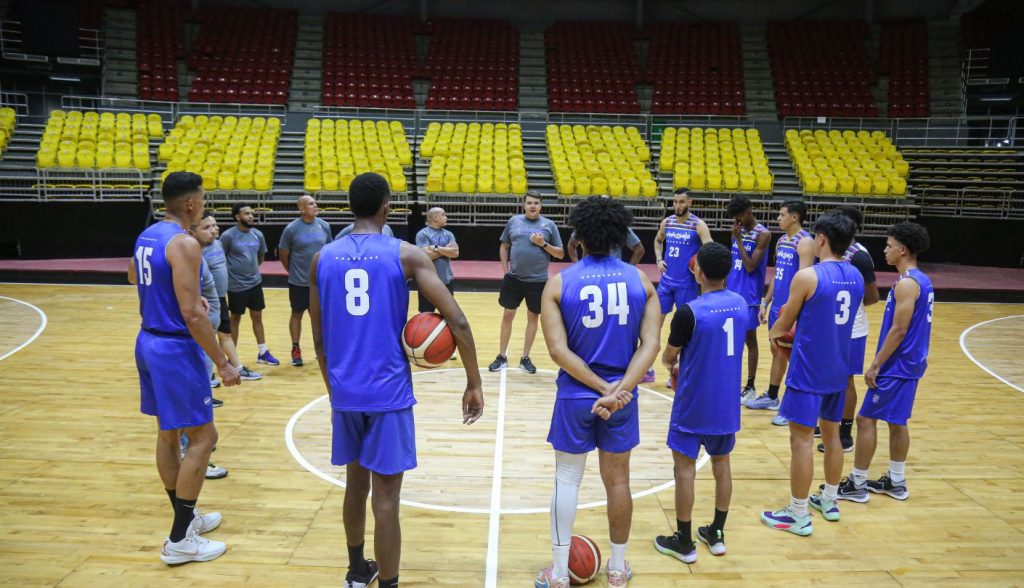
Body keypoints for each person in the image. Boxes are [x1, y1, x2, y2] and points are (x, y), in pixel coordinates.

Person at [309, 172, 484, 588]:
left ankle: (356, 570)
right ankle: (387, 583)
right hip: (387, 392)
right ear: (387, 207)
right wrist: (473, 381)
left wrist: (333, 389)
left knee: (355, 485)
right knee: (386, 498)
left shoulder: (323, 258)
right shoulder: (405, 254)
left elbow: (317, 338)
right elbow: (455, 318)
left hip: (345, 390)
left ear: (350, 207)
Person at [535, 196, 661, 588]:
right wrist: (618, 389)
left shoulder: (558, 284)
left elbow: (558, 351)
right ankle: (619, 570)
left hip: (576, 394)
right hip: (622, 399)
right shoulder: (641, 280)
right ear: (621, 236)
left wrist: (601, 387)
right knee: (618, 482)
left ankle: (558, 574)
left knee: (567, 481)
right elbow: (651, 345)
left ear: (577, 238)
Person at [128, 171, 240, 564]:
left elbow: (133, 277)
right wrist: (223, 363)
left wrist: (180, 299)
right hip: (175, 349)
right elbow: (193, 317)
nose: (205, 205)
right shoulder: (186, 243)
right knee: (204, 438)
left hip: (148, 341)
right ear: (191, 204)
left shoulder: (149, 234)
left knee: (168, 435)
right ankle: (179, 540)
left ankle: (185, 520)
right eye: (204, 200)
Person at [760, 211, 863, 536]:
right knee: (832, 436)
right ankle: (829, 500)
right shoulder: (857, 276)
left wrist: (774, 334)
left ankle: (798, 513)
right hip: (838, 368)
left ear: (821, 239)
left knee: (801, 440)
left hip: (808, 370)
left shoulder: (808, 277)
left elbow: (785, 320)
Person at [654, 242, 746, 564]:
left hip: (693, 403)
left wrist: (674, 364)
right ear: (729, 271)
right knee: (722, 465)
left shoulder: (688, 312)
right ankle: (717, 533)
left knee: (684, 470)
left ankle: (684, 540)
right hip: (726, 403)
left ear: (697, 271)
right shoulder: (741, 304)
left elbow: (668, 357)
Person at [834, 222, 933, 503]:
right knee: (897, 421)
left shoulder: (907, 284)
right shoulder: (922, 280)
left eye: (889, 246)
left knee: (865, 419)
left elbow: (899, 330)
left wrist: (876, 364)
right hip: (911, 364)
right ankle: (896, 481)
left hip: (897, 366)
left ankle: (857, 482)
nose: (885, 250)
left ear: (903, 250)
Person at [816, 206, 880, 449]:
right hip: (831, 326)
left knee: (846, 379)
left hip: (852, 329)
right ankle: (825, 423)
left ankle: (845, 432)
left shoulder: (859, 256)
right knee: (828, 375)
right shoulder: (832, 252)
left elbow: (873, 297)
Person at [746, 200, 814, 426]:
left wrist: (795, 311)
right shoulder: (783, 240)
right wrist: (765, 302)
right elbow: (777, 275)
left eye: (782, 214)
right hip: (777, 307)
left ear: (794, 217)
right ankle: (773, 396)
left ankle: (791, 407)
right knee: (777, 351)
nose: (778, 218)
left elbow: (806, 279)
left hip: (792, 309)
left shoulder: (805, 242)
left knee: (794, 357)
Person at [490, 190, 564, 375]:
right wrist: (505, 271)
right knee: (508, 315)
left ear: (541, 206)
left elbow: (560, 253)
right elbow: (504, 246)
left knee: (533, 317)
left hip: (538, 281)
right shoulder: (514, 221)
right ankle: (502, 356)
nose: (533, 206)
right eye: (529, 203)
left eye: (536, 203)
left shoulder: (549, 225)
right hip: (514, 279)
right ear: (524, 205)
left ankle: (525, 357)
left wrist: (543, 244)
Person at [652, 188, 712, 385]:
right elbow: (658, 240)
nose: (677, 205)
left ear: (690, 203)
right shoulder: (667, 222)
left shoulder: (698, 225)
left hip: (686, 285)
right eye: (675, 201)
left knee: (682, 329)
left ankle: (676, 371)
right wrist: (659, 258)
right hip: (666, 283)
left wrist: (701, 268)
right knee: (653, 325)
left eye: (681, 202)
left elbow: (709, 249)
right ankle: (647, 369)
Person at [200, 213, 262, 383]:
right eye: (209, 227)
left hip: (220, 298)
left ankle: (238, 368)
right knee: (206, 338)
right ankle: (207, 375)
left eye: (214, 225)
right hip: (205, 301)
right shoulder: (195, 251)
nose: (215, 229)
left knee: (225, 335)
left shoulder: (219, 244)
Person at [221, 202, 278, 366]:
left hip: (255, 283)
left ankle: (263, 352)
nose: (251, 216)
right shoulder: (228, 236)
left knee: (257, 316)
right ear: (237, 217)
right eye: (247, 213)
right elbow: (221, 257)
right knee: (235, 319)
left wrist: (251, 271)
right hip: (236, 286)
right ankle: (232, 358)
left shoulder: (258, 234)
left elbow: (261, 256)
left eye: (251, 213)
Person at [278, 195, 333, 367]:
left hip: (319, 283)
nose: (315, 205)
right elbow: (283, 255)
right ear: (301, 209)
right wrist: (294, 272)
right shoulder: (291, 229)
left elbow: (328, 252)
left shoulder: (324, 226)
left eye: (315, 203)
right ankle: (296, 349)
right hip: (298, 282)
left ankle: (322, 349)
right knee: (297, 314)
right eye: (310, 204)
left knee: (320, 317)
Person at [726, 195, 770, 404]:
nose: (737, 220)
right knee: (733, 340)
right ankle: (731, 382)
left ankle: (750, 386)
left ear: (748, 212)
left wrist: (739, 240)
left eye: (738, 216)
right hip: (732, 292)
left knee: (749, 340)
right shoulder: (737, 231)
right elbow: (733, 262)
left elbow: (751, 266)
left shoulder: (763, 234)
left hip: (750, 295)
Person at [414, 207, 458, 313]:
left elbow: (455, 253)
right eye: (443, 215)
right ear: (435, 217)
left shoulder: (448, 234)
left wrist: (436, 248)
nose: (446, 218)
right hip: (427, 281)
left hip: (446, 279)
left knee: (448, 314)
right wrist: (446, 250)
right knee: (426, 314)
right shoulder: (423, 234)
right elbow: (425, 255)